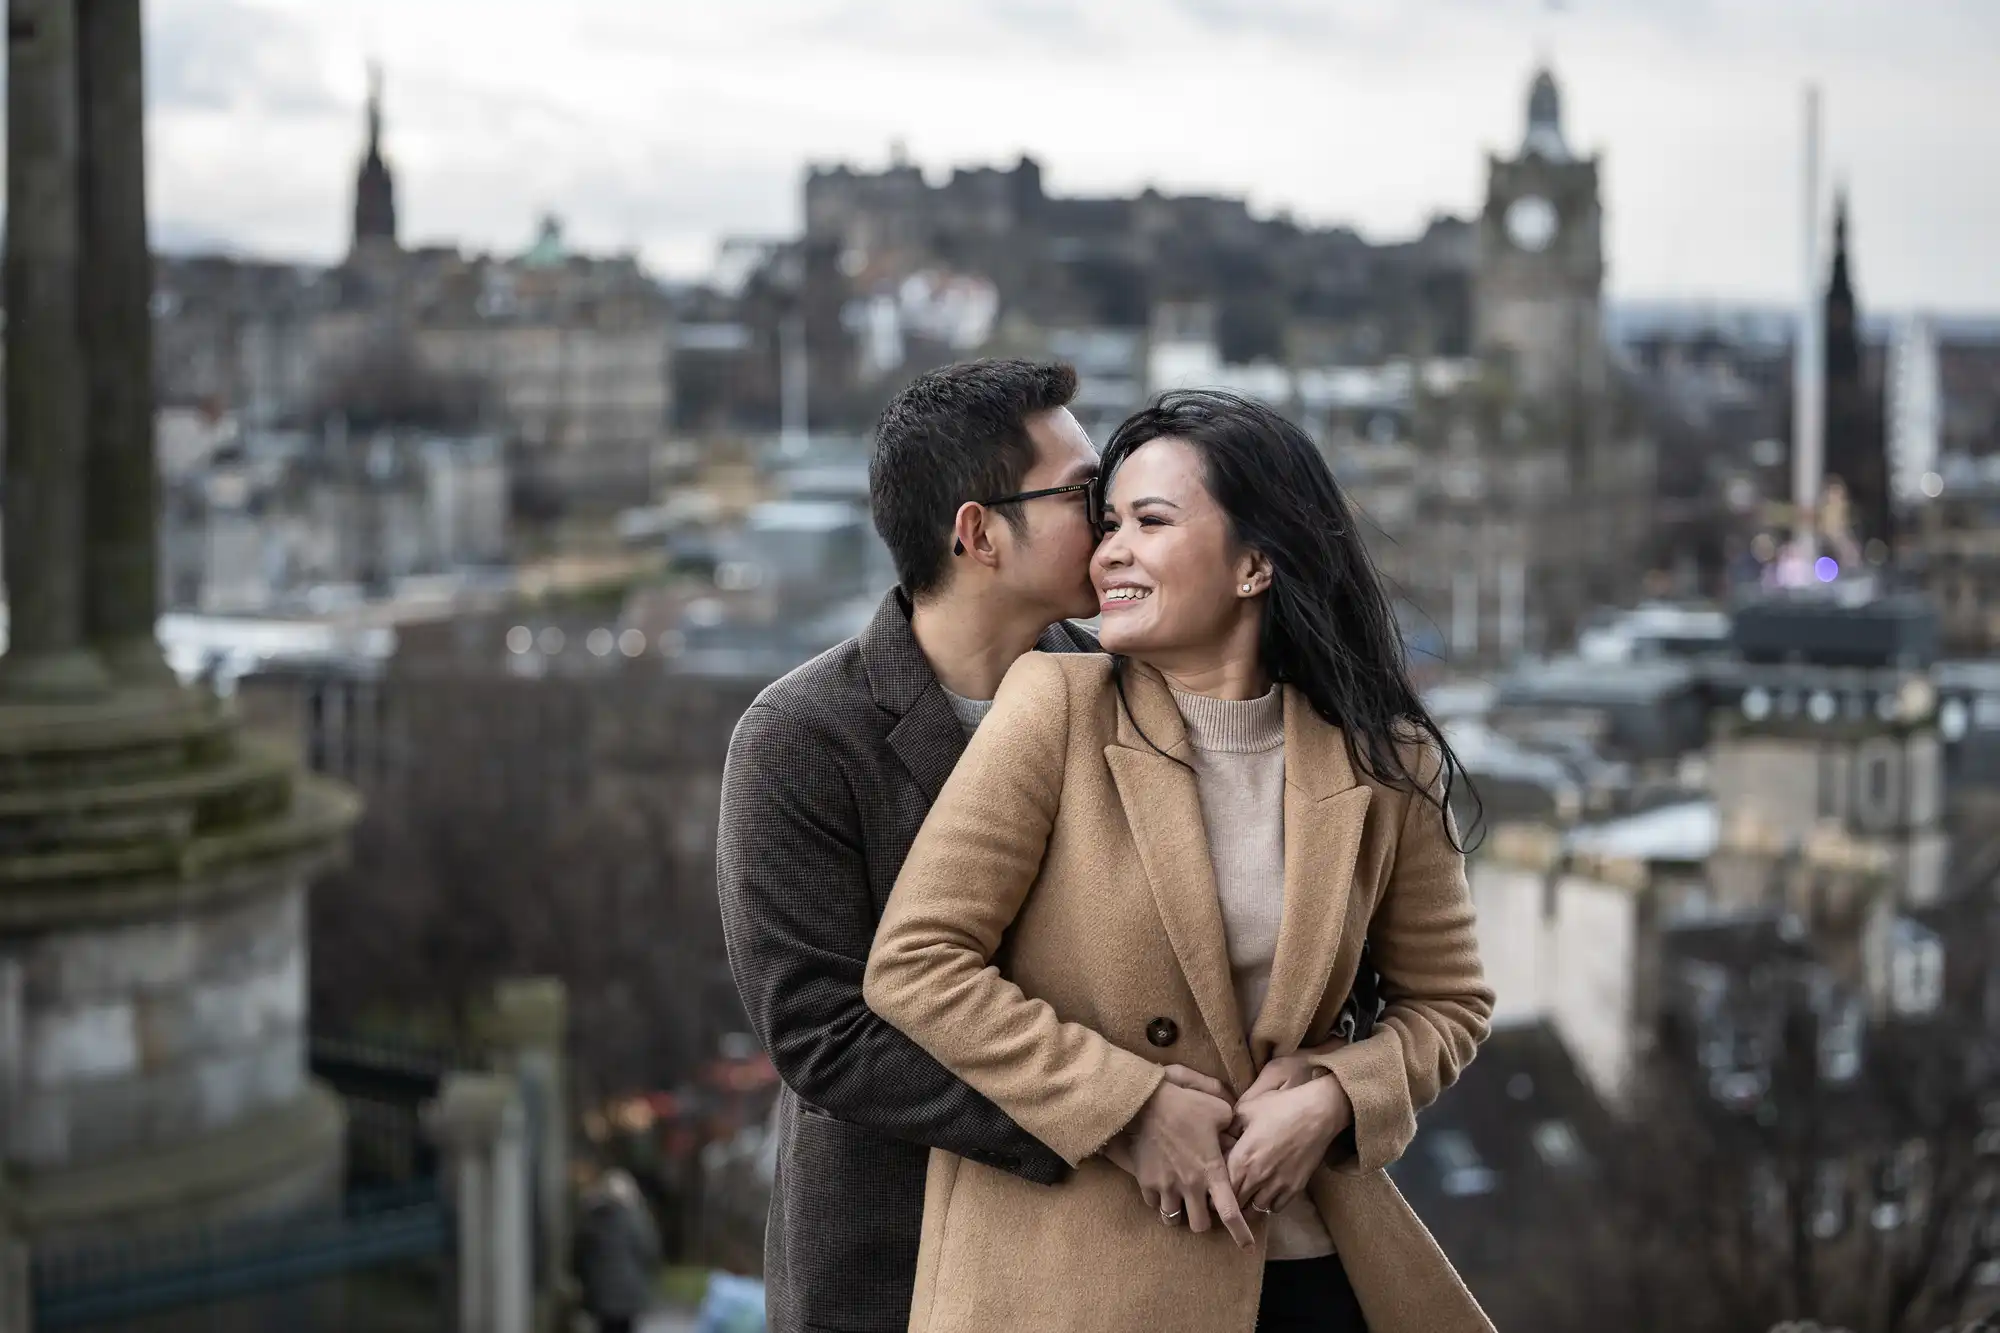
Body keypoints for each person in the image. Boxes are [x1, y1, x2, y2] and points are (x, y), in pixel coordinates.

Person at [864, 390, 1497, 1333]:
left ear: (1255, 564)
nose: (1108, 550)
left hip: (1308, 1269)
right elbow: (915, 965)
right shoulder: (1054, 708)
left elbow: (1450, 1005)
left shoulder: (1386, 760)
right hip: (1072, 1281)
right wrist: (1125, 1104)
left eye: (1149, 522)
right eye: (1107, 521)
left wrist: (1336, 1094)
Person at [717, 360, 1106, 1333]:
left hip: (1103, 1259)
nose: (1113, 518)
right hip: (891, 1262)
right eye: (1083, 495)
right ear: (977, 533)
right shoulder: (798, 737)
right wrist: (1099, 1115)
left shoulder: (1121, 698)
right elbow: (822, 1035)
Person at [571, 1168, 662, 1333]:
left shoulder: (591, 1218)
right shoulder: (636, 1219)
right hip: (629, 1292)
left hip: (599, 1293)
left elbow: (578, 1256)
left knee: (605, 1327)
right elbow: (649, 1251)